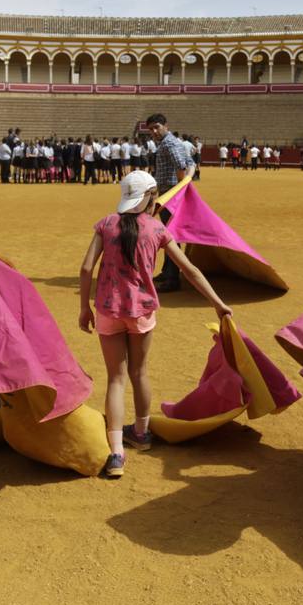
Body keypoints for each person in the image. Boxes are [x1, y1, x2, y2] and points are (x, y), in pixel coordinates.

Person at [77, 171, 232, 479]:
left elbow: (85, 267)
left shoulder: (107, 224)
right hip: (142, 312)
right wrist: (218, 303)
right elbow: (189, 269)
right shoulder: (158, 228)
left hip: (109, 309)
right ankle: (143, 433)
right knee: (139, 372)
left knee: (116, 379)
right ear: (150, 196)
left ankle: (117, 453)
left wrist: (84, 308)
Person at [148, 114, 195, 292]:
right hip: (169, 193)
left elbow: (180, 167)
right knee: (169, 233)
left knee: (170, 236)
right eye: (151, 128)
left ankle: (172, 278)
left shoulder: (168, 143)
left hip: (171, 194)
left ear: (166, 126)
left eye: (157, 127)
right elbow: (189, 162)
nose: (154, 131)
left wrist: (178, 190)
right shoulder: (173, 142)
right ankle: (167, 271)